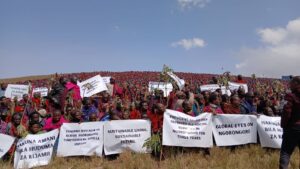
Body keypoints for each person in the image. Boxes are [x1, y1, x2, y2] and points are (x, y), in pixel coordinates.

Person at [279, 76, 300, 169]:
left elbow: (287, 112)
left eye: (291, 83)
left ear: (296, 84)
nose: (289, 85)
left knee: (286, 153)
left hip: (292, 128)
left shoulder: (290, 96)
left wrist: (283, 125)